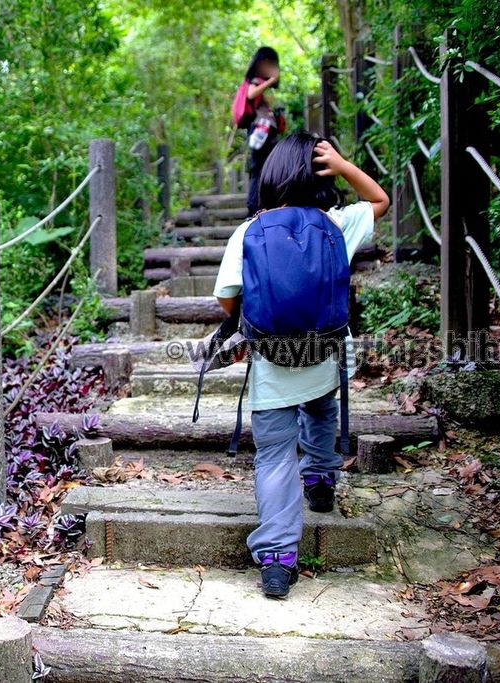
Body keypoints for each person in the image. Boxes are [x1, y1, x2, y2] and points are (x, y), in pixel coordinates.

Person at [212, 133, 390, 598]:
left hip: (273, 363)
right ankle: (320, 477)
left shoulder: (249, 231)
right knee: (320, 409)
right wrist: (345, 163)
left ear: (271, 175)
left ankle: (276, 558)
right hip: (326, 355)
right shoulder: (337, 224)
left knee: (272, 456)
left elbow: (225, 297)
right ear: (320, 176)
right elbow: (380, 199)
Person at [242, 46, 283, 216]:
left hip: (268, 132)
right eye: (268, 63)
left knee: (269, 167)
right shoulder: (256, 82)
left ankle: (264, 205)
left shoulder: (265, 85)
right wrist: (270, 81)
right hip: (260, 132)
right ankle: (254, 207)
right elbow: (250, 94)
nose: (271, 67)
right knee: (259, 168)